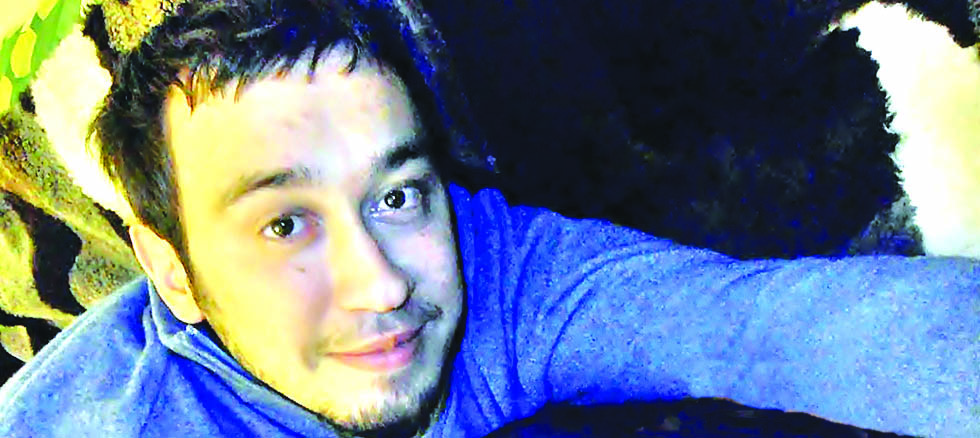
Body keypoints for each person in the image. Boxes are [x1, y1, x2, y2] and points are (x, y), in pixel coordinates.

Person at [0, 0, 978, 437]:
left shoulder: (494, 269)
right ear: (172, 273)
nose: (381, 283)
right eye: (284, 225)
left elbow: (764, 324)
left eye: (396, 194)